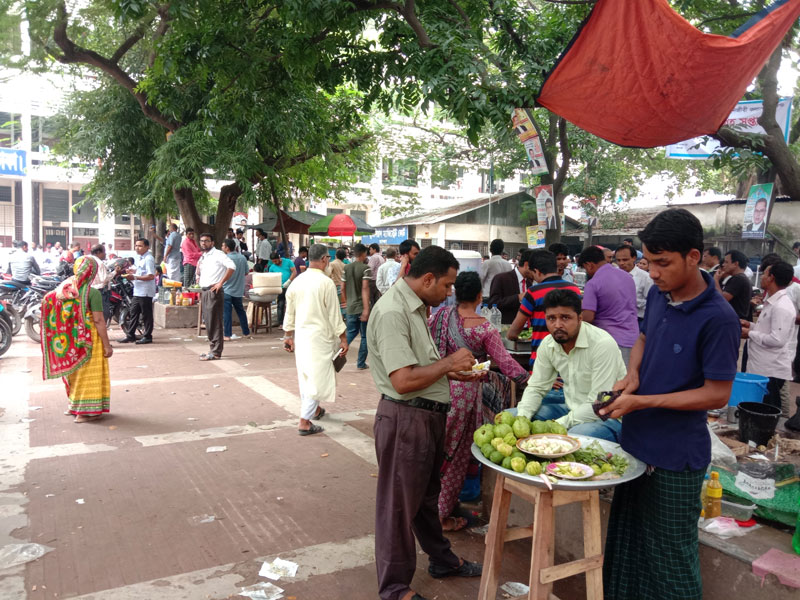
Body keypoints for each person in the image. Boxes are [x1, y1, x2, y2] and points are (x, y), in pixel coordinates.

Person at [600, 208, 739, 600]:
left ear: (693, 257)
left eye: (663, 263)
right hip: (637, 444)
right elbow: (643, 337)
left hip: (676, 457)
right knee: (628, 544)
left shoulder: (719, 318)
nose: (654, 273)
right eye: (650, 262)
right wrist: (633, 375)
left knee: (670, 556)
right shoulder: (662, 295)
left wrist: (644, 401)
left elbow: (717, 394)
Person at [366, 246, 482, 600]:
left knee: (424, 501)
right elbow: (402, 380)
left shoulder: (416, 308)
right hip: (406, 420)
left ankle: (442, 559)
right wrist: (449, 364)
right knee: (398, 509)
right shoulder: (393, 312)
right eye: (446, 286)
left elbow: (419, 369)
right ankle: (395, 588)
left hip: (424, 417)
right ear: (428, 278)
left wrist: (456, 375)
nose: (450, 293)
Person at [429, 272, 529, 530]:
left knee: (436, 453)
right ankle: (442, 516)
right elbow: (506, 363)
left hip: (436, 389)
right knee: (456, 456)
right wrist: (530, 380)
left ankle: (429, 508)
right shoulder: (484, 327)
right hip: (463, 397)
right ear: (478, 296)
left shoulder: (438, 317)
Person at [516, 289, 626, 441]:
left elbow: (600, 402)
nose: (558, 325)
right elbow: (536, 387)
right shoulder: (548, 345)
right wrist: (521, 420)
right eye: (551, 318)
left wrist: (556, 426)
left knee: (575, 436)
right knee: (515, 415)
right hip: (570, 410)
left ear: (580, 318)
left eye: (565, 317)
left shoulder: (602, 344)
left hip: (607, 416)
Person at [283, 244, 348, 435]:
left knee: (306, 377)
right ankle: (304, 421)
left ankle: (315, 410)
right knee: (317, 379)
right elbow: (335, 315)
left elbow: (290, 312)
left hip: (303, 338)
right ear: (325, 259)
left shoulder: (297, 282)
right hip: (320, 338)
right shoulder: (325, 283)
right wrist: (343, 338)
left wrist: (288, 335)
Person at [42, 257, 113, 423]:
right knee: (88, 373)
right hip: (89, 340)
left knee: (75, 372)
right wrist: (107, 345)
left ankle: (73, 406)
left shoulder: (65, 289)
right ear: (91, 272)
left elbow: (48, 300)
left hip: (70, 340)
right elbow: (99, 321)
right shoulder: (92, 293)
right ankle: (83, 413)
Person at [508, 249, 581, 367]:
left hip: (542, 359)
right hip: (570, 359)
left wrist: (512, 335)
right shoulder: (574, 289)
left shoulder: (533, 292)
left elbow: (514, 330)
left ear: (537, 271)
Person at [741, 261, 796, 411]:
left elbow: (777, 339)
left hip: (770, 370)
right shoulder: (772, 302)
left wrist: (750, 333)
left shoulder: (781, 306)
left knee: (767, 411)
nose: (762, 277)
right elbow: (767, 331)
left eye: (764, 274)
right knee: (757, 409)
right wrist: (750, 325)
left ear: (771, 277)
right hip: (761, 368)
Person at [577, 245, 639, 365]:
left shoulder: (593, 283)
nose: (587, 272)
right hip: (633, 337)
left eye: (585, 268)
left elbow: (588, 317)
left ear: (589, 264)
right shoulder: (627, 277)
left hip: (609, 341)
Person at [196, 233, 235, 360]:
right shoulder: (204, 256)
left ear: (212, 243)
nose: (203, 243)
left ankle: (216, 351)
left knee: (215, 321)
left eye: (206, 241)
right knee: (208, 321)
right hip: (206, 291)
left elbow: (232, 267)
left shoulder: (218, 254)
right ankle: (213, 348)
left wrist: (220, 283)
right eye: (202, 241)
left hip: (214, 291)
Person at [118, 239, 156, 345]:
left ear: (147, 247)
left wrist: (134, 277)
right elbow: (142, 272)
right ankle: (130, 335)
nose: (137, 248)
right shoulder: (140, 258)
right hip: (138, 290)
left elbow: (150, 276)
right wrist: (133, 272)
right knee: (133, 312)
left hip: (145, 291)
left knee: (146, 314)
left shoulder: (148, 258)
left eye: (140, 246)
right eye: (136, 245)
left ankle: (148, 336)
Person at [341, 243, 371, 370]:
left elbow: (342, 288)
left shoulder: (346, 268)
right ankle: (361, 363)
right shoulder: (366, 268)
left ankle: (337, 354)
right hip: (361, 306)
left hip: (351, 307)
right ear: (364, 254)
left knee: (351, 332)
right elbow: (365, 288)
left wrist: (347, 302)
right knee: (365, 336)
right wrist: (366, 309)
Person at [488, 248, 534, 324]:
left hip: (527, 329)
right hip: (508, 328)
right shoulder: (501, 279)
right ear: (526, 265)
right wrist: (518, 297)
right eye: (535, 268)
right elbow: (493, 304)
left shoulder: (529, 282)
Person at [222, 239, 251, 341]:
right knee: (241, 311)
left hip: (226, 289)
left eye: (223, 246)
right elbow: (246, 272)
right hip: (238, 289)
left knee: (227, 313)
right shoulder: (242, 258)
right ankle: (246, 332)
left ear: (227, 248)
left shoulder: (225, 258)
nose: (222, 248)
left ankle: (227, 335)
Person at [615, 245, 652, 323]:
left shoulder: (645, 277)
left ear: (634, 258)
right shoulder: (612, 274)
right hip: (615, 318)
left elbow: (651, 302)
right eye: (618, 260)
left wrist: (630, 300)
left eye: (625, 260)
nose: (621, 263)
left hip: (637, 319)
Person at [714, 250, 752, 321]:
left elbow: (721, 299)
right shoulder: (739, 278)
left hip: (734, 321)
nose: (723, 265)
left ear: (735, 264)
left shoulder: (739, 279)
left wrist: (715, 280)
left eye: (726, 262)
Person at [268, 251, 298, 326]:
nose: (274, 262)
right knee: (280, 304)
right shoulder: (272, 267)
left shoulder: (288, 262)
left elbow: (294, 272)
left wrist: (289, 281)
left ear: (279, 258)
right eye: (273, 261)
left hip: (290, 286)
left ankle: (293, 322)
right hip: (280, 288)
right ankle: (280, 323)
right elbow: (271, 278)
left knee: (291, 303)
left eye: (275, 261)